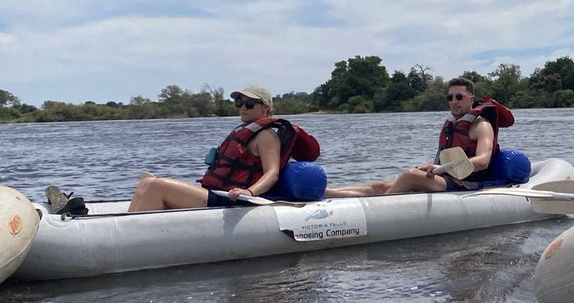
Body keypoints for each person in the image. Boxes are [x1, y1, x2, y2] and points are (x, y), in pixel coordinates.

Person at [324, 77, 510, 197]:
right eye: (450, 98)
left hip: (468, 183)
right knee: (381, 185)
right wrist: (428, 165)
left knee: (410, 176)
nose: (454, 102)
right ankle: (327, 193)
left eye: (459, 97)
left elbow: (483, 161)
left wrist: (440, 168)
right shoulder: (453, 124)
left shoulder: (481, 126)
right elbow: (442, 157)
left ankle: (379, 208)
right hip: (446, 176)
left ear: (471, 99)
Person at [128, 84, 296, 212]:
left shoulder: (266, 136)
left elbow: (272, 173)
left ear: (265, 107)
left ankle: (130, 237)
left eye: (250, 103)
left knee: (156, 186)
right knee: (146, 183)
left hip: (234, 198)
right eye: (239, 102)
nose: (243, 107)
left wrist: (249, 192)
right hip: (217, 192)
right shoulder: (246, 131)